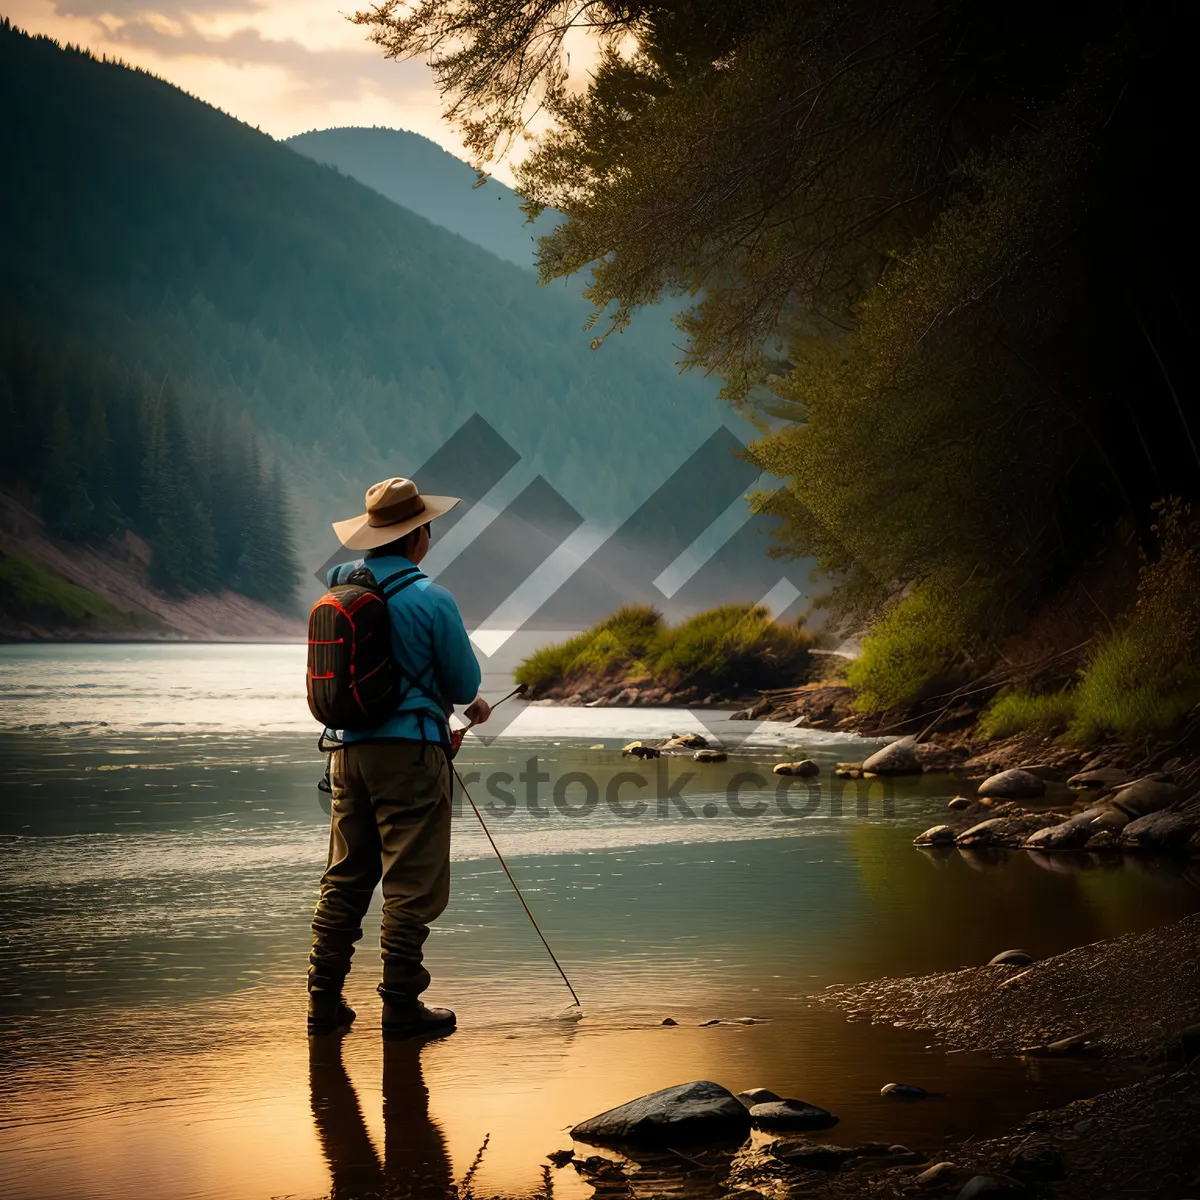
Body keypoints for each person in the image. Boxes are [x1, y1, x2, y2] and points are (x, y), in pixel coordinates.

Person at [308, 476, 490, 1039]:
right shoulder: (432, 599)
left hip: (345, 751)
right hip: (410, 756)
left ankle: (323, 1004)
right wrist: (466, 704)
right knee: (409, 885)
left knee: (344, 878)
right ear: (420, 536)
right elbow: (464, 682)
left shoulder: (339, 591)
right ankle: (401, 1009)